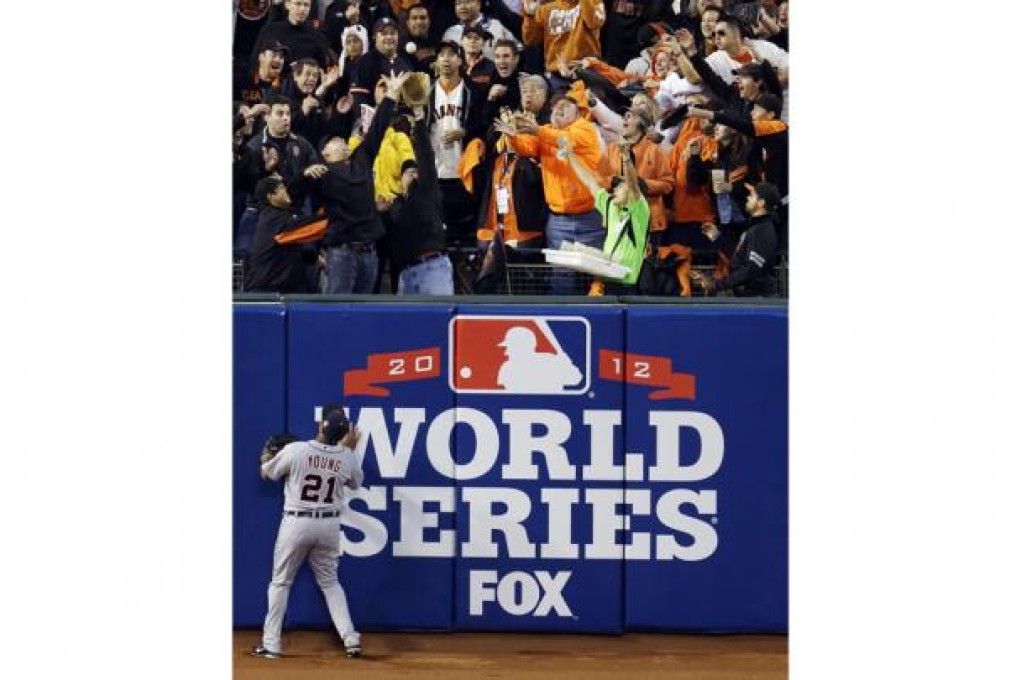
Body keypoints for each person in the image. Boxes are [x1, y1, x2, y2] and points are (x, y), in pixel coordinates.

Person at [250, 404, 365, 660]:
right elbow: (356, 482)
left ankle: (271, 645)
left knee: (280, 582)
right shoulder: (347, 455)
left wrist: (267, 456)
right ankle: (350, 638)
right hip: (328, 526)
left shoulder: (296, 450)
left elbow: (266, 473)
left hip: (297, 523)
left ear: (320, 426)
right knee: (331, 583)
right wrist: (347, 451)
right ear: (344, 433)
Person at [304, 71, 412, 293]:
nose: (341, 141)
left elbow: (377, 129)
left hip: (370, 251)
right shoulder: (321, 173)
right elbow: (306, 208)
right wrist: (305, 174)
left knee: (364, 311)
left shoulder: (361, 159)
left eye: (342, 139)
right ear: (323, 153)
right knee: (337, 312)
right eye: (334, 141)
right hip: (341, 253)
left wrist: (391, 95)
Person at [496, 91, 605, 295]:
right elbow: (527, 148)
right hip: (558, 220)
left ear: (578, 112)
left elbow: (566, 141)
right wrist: (512, 136)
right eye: (555, 106)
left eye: (566, 105)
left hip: (591, 218)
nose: (559, 108)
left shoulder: (586, 129)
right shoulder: (546, 131)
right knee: (562, 279)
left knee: (598, 275)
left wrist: (537, 130)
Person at [564, 136, 650, 294]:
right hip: (607, 284)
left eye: (620, 186)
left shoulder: (640, 212)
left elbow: (633, 186)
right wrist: (570, 155)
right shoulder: (611, 206)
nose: (615, 189)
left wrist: (626, 159)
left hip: (628, 287)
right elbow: (589, 181)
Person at [388, 110, 455, 295]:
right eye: (407, 171)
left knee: (438, 321)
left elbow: (425, 155)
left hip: (433, 267)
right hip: (405, 273)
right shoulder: (394, 203)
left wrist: (419, 122)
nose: (413, 173)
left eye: (415, 171)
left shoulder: (428, 191)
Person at [427, 40, 486, 246]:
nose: (446, 58)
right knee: (437, 235)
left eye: (451, 54)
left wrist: (465, 131)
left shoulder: (475, 90)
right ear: (436, 61)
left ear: (460, 60)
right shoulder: (426, 91)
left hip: (463, 174)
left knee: (463, 235)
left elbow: (485, 125)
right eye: (441, 54)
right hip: (434, 174)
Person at [596, 106, 673, 246]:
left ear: (641, 124)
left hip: (649, 221)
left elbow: (668, 184)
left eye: (630, 116)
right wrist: (612, 182)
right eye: (624, 116)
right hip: (617, 219)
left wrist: (640, 184)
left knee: (645, 266)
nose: (625, 118)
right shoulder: (612, 149)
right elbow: (598, 180)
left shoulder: (655, 150)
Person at [690, 181, 779, 297]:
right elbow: (738, 259)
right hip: (752, 299)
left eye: (752, 195)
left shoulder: (762, 230)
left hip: (758, 301)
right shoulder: (756, 228)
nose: (748, 197)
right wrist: (716, 237)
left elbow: (750, 270)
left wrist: (716, 285)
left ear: (761, 203)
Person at [244, 176, 324, 293]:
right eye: (281, 188)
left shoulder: (275, 218)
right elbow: (312, 226)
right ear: (271, 196)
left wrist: (312, 258)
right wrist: (337, 215)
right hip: (266, 293)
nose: (286, 190)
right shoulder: (274, 219)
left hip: (276, 288)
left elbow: (287, 247)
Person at [521, 0, 606, 80]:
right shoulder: (545, 9)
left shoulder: (593, 2)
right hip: (555, 75)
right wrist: (530, 16)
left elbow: (594, 23)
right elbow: (530, 40)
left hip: (587, 70)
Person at [250, 0, 333, 74]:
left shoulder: (317, 36)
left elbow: (322, 68)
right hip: (270, 87)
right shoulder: (270, 29)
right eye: (298, 4)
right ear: (287, 4)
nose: (302, 9)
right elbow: (254, 61)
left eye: (306, 5)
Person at [349, 17, 413, 108]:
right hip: (376, 117)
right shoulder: (365, 62)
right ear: (375, 36)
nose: (389, 37)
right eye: (384, 33)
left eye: (393, 33)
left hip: (403, 117)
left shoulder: (406, 61)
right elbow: (358, 99)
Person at [496, 327, 583, 392]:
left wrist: (566, 365)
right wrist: (565, 364)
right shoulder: (551, 360)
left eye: (510, 347)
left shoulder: (551, 361)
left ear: (521, 346)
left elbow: (576, 379)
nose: (506, 352)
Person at [442, 0, 517, 59]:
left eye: (467, 2)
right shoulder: (450, 33)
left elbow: (516, 52)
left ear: (479, 3)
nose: (462, 7)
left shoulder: (498, 26)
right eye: (458, 3)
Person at [462, 25, 498, 95]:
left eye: (477, 38)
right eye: (469, 37)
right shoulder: (454, 64)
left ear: (483, 43)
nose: (472, 41)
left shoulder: (492, 67)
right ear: (461, 41)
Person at [402, 3, 438, 72]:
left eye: (423, 18)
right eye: (414, 18)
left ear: (429, 21)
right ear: (408, 23)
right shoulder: (401, 45)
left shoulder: (436, 40)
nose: (419, 22)